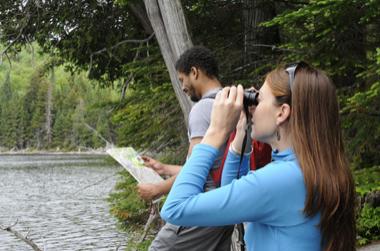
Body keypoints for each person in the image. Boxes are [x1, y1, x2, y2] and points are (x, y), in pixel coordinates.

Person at [161, 62, 356, 251]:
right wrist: (240, 136)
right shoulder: (309, 168)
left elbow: (175, 208)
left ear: (282, 113)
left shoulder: (280, 179)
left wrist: (215, 132)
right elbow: (230, 191)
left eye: (259, 99)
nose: (252, 106)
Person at [139, 46, 235, 251]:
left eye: (182, 79)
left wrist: (157, 189)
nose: (182, 87)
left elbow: (195, 170)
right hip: (225, 206)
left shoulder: (202, 109)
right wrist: (163, 168)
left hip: (200, 207)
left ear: (195, 72)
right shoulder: (231, 105)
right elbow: (211, 163)